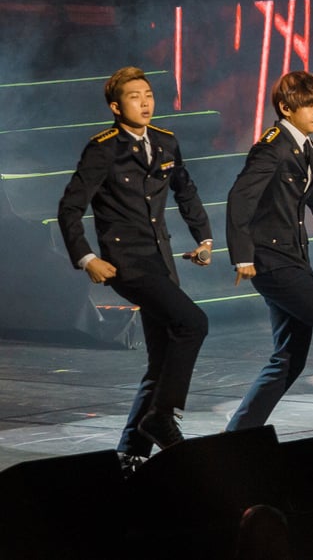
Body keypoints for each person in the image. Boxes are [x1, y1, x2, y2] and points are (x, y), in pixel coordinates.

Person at [57, 66, 213, 457]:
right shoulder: (104, 148)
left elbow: (186, 190)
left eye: (148, 95)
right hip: (127, 262)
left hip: (161, 259)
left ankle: (132, 452)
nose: (145, 103)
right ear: (115, 105)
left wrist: (204, 238)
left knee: (160, 360)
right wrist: (86, 257)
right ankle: (163, 415)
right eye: (134, 96)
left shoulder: (165, 141)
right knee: (193, 322)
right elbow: (70, 208)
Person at [225, 70, 313, 430]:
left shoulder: (307, 150)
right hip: (272, 262)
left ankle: (240, 430)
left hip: (293, 260)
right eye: (310, 104)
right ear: (287, 109)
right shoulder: (272, 148)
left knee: (288, 357)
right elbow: (239, 198)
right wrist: (242, 255)